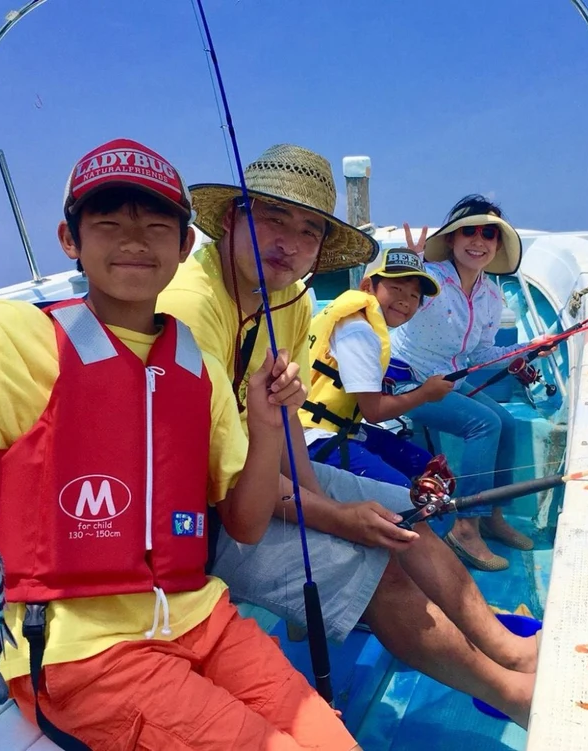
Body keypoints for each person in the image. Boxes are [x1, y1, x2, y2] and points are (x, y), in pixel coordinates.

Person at [0, 138, 357, 750]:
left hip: (203, 620)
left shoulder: (195, 366)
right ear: (71, 241)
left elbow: (247, 525)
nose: (134, 240)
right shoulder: (17, 339)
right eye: (108, 222)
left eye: (155, 224)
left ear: (183, 244)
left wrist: (268, 425)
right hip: (81, 654)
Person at [156, 144, 538, 727]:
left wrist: (322, 500)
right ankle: (512, 695)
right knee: (381, 565)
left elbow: (283, 414)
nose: (287, 242)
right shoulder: (190, 311)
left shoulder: (288, 296)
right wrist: (335, 517)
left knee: (406, 518)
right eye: (270, 219)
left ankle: (507, 648)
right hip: (192, 516)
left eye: (308, 231)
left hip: (266, 472)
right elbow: (237, 508)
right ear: (230, 219)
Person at [392, 195, 543, 572]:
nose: (478, 241)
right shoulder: (430, 279)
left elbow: (479, 355)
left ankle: (493, 514)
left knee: (505, 422)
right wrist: (410, 271)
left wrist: (531, 347)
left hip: (447, 383)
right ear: (453, 239)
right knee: (484, 423)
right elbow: (392, 305)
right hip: (403, 381)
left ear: (497, 244)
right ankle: (465, 526)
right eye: (468, 232)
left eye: (489, 234)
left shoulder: (491, 295)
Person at [299, 246, 454, 486]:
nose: (405, 300)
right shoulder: (358, 332)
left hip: (342, 428)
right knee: (405, 492)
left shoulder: (363, 322)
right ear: (367, 287)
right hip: (310, 437)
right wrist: (425, 393)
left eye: (414, 296)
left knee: (428, 468)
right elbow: (374, 412)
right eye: (396, 288)